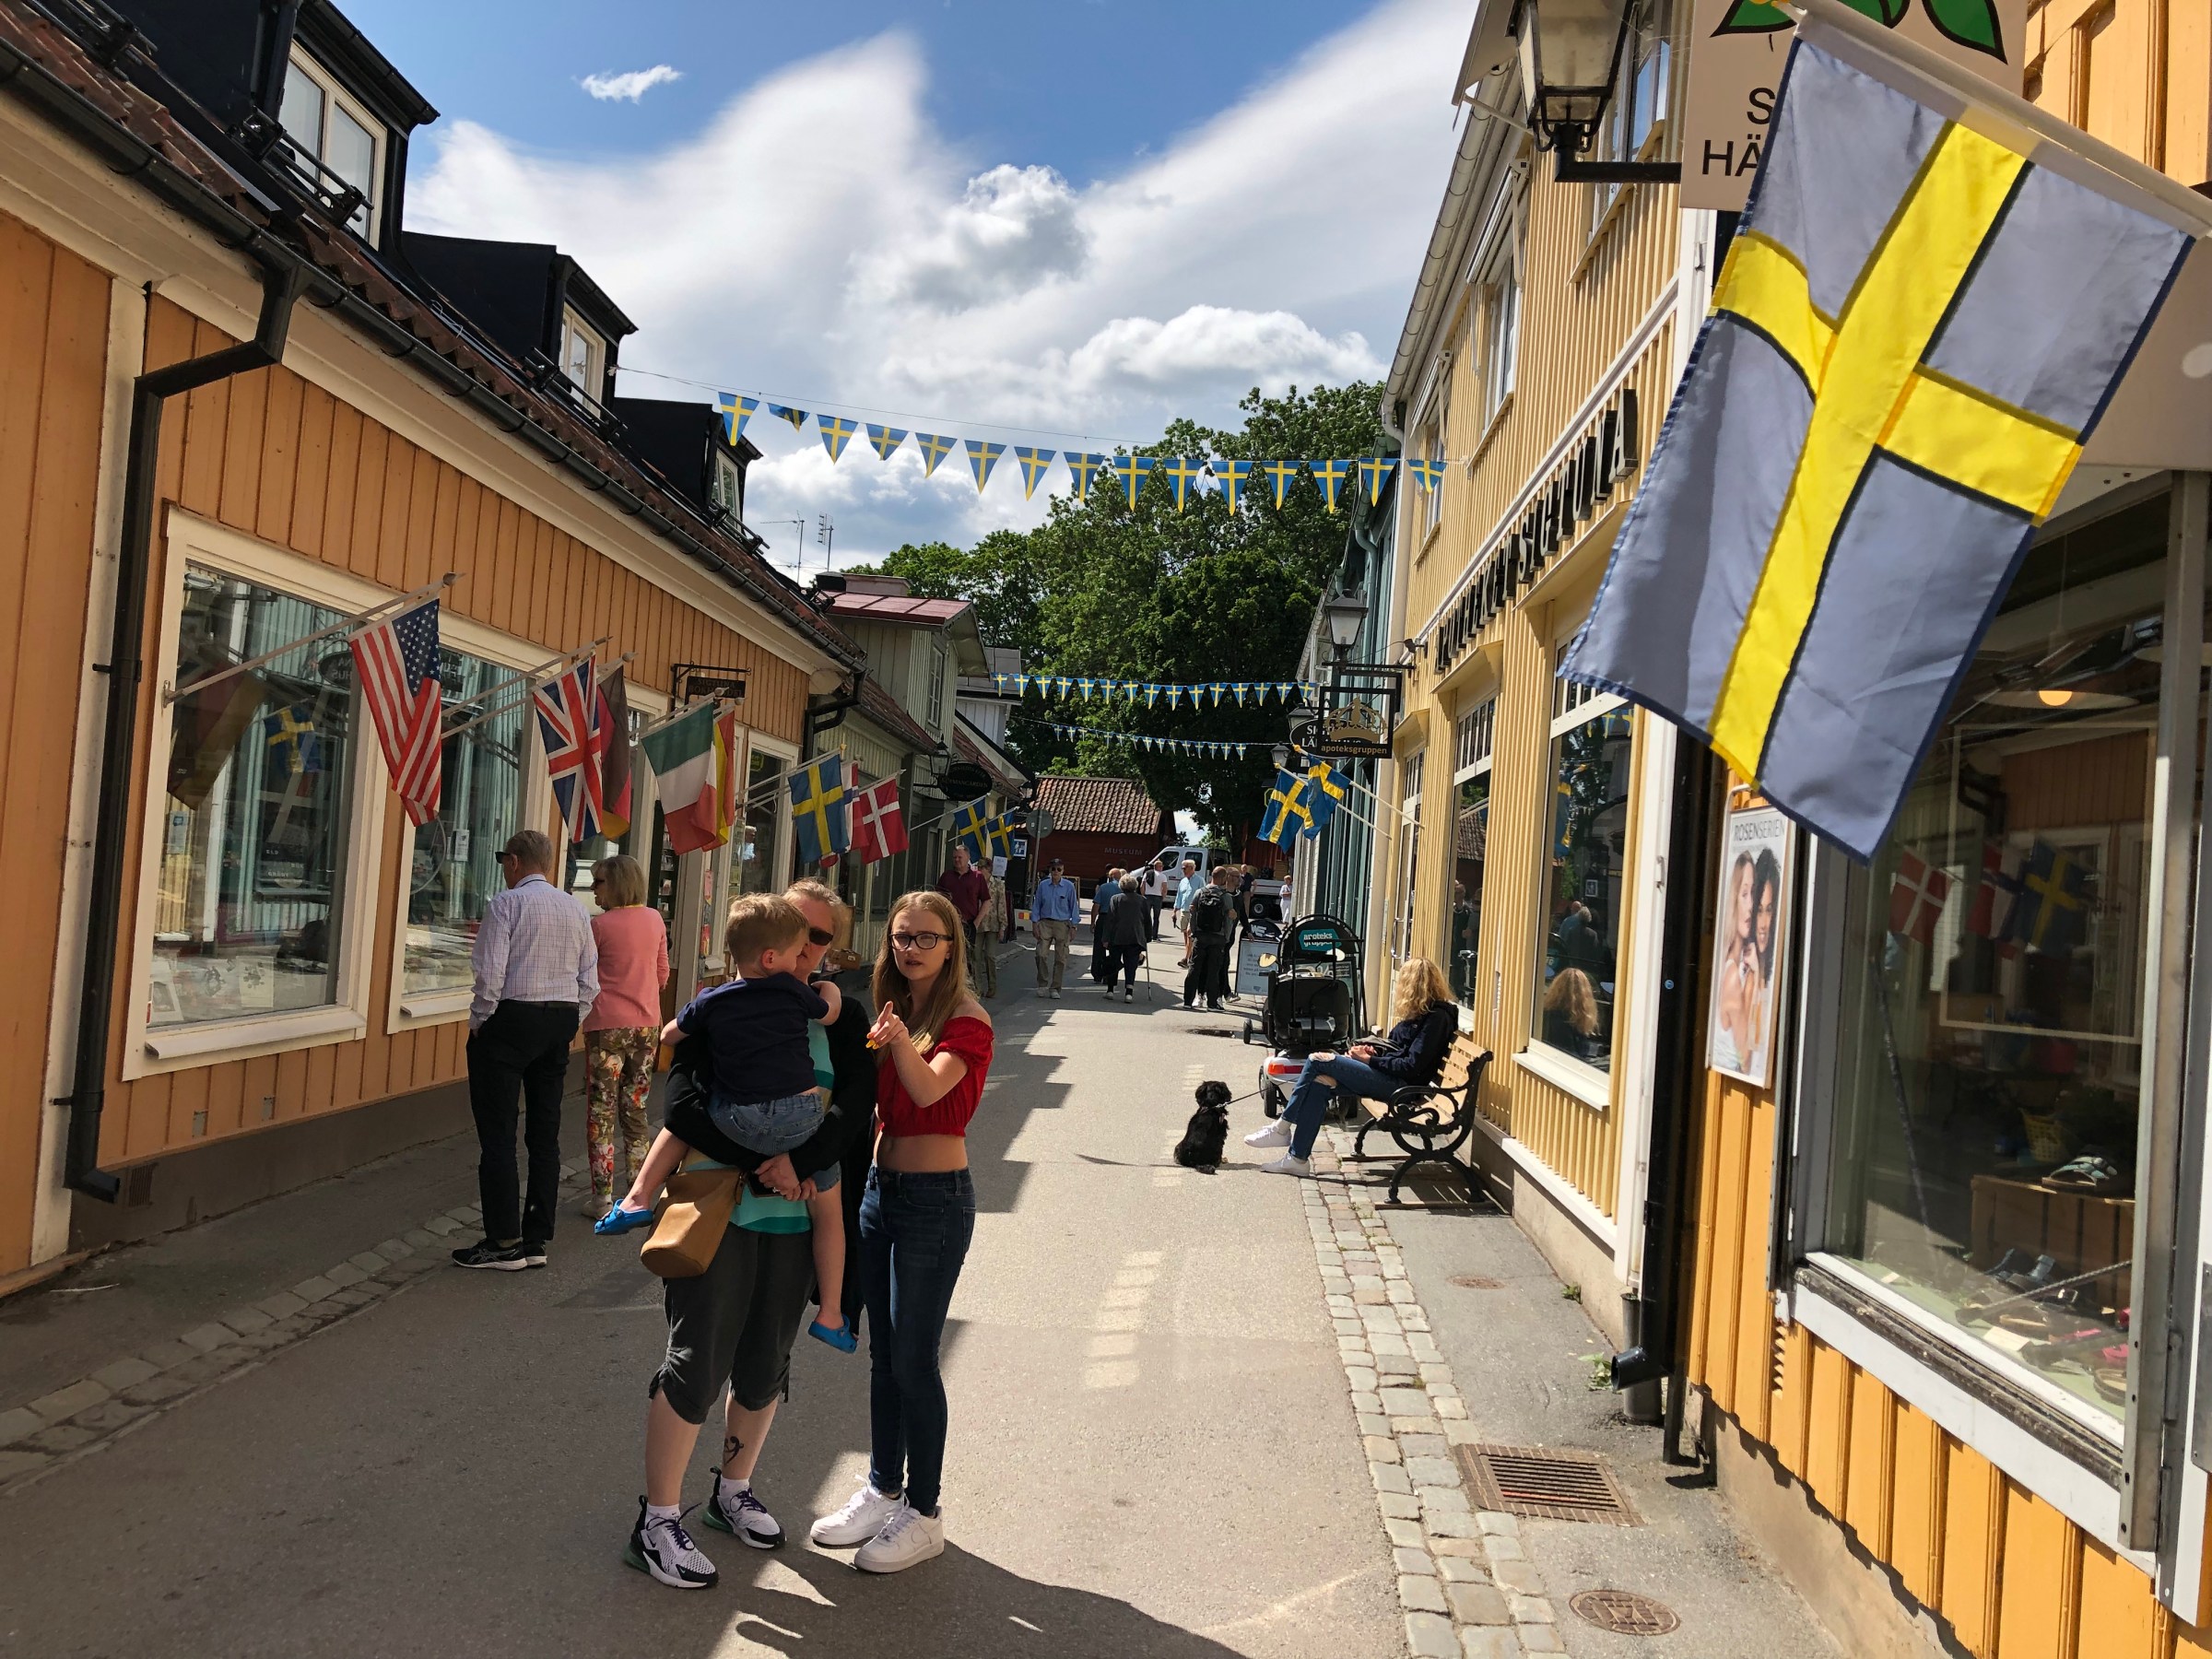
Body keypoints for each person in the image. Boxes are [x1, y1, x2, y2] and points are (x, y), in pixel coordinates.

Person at [626, 881, 874, 1591]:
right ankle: (657, 1520)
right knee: (697, 1361)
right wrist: (762, 1165)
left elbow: (856, 1107)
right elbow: (681, 1101)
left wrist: (799, 1162)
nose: (805, 948)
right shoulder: (727, 999)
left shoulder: (836, 1014)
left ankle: (731, 1491)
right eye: (797, 932)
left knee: (767, 1364)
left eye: (819, 938)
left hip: (797, 1217)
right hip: (719, 1210)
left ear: (831, 948)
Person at [810, 889, 993, 1574]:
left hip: (934, 1203)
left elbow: (926, 1095)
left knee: (916, 1361)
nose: (909, 948)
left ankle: (925, 1511)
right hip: (879, 1196)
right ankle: (884, 1488)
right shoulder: (899, 1012)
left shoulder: (967, 1021)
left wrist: (894, 1045)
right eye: (901, 937)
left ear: (951, 947)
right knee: (884, 1358)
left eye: (925, 938)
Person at [596, 896, 854, 1354]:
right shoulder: (796, 992)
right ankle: (831, 1313)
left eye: (818, 939)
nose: (805, 955)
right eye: (800, 946)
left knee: (692, 1113)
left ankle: (637, 1197)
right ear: (773, 957)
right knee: (830, 1212)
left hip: (737, 1121)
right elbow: (830, 1013)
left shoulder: (714, 999)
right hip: (802, 1122)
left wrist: (698, 1021)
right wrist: (829, 991)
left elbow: (670, 1036)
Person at [453, 830, 598, 1272]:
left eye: (503, 859)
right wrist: (573, 1018)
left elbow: (490, 972)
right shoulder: (576, 909)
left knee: (498, 1132)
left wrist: (480, 1020)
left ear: (513, 861)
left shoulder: (506, 904)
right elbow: (590, 979)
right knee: (544, 1132)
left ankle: (502, 1239)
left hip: (511, 1018)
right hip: (558, 1019)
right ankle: (536, 1238)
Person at [1247, 958, 1458, 1175]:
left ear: (1413, 985)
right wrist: (1372, 1052)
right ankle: (1297, 1159)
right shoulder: (1419, 1014)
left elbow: (1411, 1066)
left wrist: (1369, 1061)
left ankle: (1281, 1128)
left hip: (1403, 1088)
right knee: (1319, 1084)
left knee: (1317, 1060)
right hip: (1390, 1078)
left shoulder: (1436, 1018)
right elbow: (1397, 1050)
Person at [582, 854, 668, 1219]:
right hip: (646, 1024)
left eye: (598, 882)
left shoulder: (598, 926)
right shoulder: (654, 919)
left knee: (601, 1110)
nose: (594, 889)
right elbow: (662, 972)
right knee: (636, 1107)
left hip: (606, 1026)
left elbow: (584, 974)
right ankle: (639, 1190)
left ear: (615, 884)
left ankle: (602, 1197)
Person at [935, 844, 991, 989]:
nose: (957, 860)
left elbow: (986, 900)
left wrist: (977, 922)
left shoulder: (977, 877)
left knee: (967, 959)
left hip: (968, 924)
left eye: (960, 857)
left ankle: (968, 990)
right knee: (947, 956)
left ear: (968, 857)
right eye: (955, 857)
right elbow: (937, 899)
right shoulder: (946, 877)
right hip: (948, 924)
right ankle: (948, 988)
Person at [1183, 865, 1236, 1011]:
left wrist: (1194, 932)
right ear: (1224, 878)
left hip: (1201, 936)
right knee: (1214, 970)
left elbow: (1192, 914)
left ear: (1212, 876)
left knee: (1194, 968)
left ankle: (1188, 1000)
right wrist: (1226, 937)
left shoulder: (1200, 892)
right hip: (1218, 938)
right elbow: (1229, 921)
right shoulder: (1226, 897)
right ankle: (1212, 1003)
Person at [1030, 857, 1078, 998]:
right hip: (1045, 922)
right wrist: (1034, 923)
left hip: (1062, 924)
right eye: (1053, 869)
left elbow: (1073, 907)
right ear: (1050, 870)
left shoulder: (1069, 887)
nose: (1056, 871)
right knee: (1040, 954)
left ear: (1063, 871)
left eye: (1059, 869)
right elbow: (1037, 904)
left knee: (1061, 957)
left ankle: (1055, 988)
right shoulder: (1043, 885)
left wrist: (1074, 926)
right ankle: (1042, 983)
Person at [1098, 872, 1148, 1002]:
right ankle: (1129, 993)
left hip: (1117, 936)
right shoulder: (1142, 900)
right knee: (1131, 964)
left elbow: (1110, 919)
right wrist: (1147, 938)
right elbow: (1147, 920)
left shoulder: (1116, 898)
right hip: (1135, 937)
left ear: (1122, 886)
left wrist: (1105, 938)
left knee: (1114, 962)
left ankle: (1110, 990)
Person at [971, 863, 1004, 998]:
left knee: (990, 956)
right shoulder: (974, 882)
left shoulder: (998, 884)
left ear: (988, 869)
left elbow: (1002, 905)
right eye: (978, 868)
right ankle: (977, 988)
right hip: (977, 923)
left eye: (982, 868)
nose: (979, 870)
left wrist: (1003, 926)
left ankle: (992, 986)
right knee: (975, 957)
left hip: (992, 924)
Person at [1089, 867, 1124, 985]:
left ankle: (1098, 974)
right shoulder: (1124, 889)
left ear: (1109, 877)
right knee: (1114, 949)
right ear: (1120, 877)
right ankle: (1110, 976)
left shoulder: (1104, 887)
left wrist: (1093, 922)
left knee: (1099, 948)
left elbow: (1096, 907)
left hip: (1104, 918)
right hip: (1118, 921)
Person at [1172, 857, 1203, 966]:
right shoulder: (1183, 881)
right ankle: (1189, 955)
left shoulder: (1200, 880)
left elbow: (1203, 896)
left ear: (1192, 868)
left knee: (1190, 934)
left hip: (1194, 912)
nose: (1183, 870)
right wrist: (1175, 911)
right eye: (1182, 868)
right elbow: (1179, 896)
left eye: (1185, 868)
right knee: (1185, 934)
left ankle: (1186, 958)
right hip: (1184, 911)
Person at [1142, 859, 1170, 942]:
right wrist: (1163, 897)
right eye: (1161, 866)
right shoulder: (1163, 876)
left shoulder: (1147, 874)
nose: (1162, 867)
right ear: (1159, 867)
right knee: (1156, 917)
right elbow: (1164, 888)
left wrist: (1143, 895)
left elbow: (1142, 885)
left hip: (1147, 896)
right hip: (1158, 897)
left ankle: (1145, 934)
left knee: (1146, 916)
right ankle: (1154, 936)